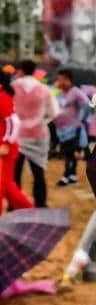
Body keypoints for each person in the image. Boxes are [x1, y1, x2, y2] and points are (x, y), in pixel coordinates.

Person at [13, 59, 60, 207]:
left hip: (17, 136)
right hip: (38, 135)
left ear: (20, 70)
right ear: (34, 71)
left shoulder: (12, 88)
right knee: (38, 172)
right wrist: (41, 121)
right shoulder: (44, 89)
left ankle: (15, 204)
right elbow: (54, 112)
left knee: (15, 173)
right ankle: (40, 204)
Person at [0, 70, 33, 213]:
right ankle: (31, 212)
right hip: (6, 146)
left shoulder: (2, 97)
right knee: (7, 186)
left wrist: (6, 143)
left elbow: (13, 122)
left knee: (4, 186)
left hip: (5, 148)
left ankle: (31, 212)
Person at [52, 69, 90, 186]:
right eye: (59, 79)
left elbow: (87, 105)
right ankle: (72, 176)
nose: (60, 81)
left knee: (70, 152)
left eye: (62, 79)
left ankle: (66, 176)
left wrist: (82, 120)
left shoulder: (75, 91)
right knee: (68, 153)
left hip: (73, 129)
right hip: (61, 130)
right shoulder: (59, 92)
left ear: (68, 80)